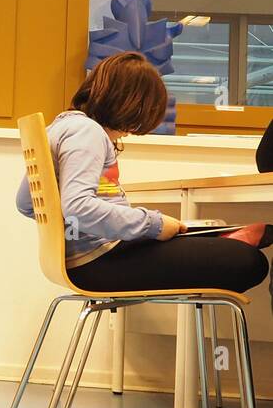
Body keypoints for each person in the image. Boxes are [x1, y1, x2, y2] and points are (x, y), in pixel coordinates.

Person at [16, 51, 270, 294]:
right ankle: (226, 242)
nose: (133, 129)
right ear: (128, 105)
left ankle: (220, 240)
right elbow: (79, 208)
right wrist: (153, 223)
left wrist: (71, 233)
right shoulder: (87, 132)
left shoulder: (59, 127)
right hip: (100, 262)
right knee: (250, 262)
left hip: (84, 260)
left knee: (195, 241)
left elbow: (26, 204)